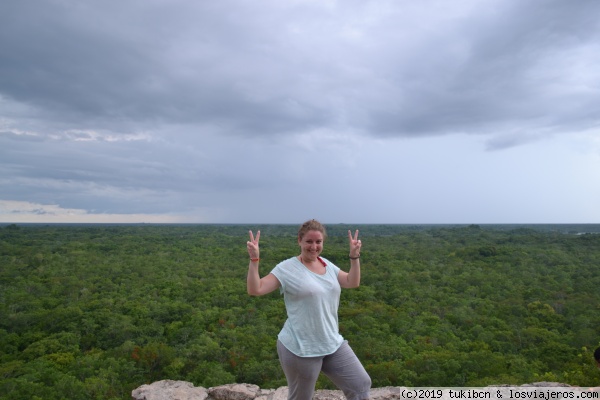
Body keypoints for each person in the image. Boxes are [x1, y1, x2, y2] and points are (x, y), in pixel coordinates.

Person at [246, 219, 371, 400]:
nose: (314, 247)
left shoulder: (326, 265)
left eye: (318, 242)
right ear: (300, 240)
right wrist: (254, 259)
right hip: (300, 347)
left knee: (360, 384)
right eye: (309, 241)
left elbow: (352, 281)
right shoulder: (287, 268)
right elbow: (255, 289)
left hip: (331, 343)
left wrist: (354, 257)